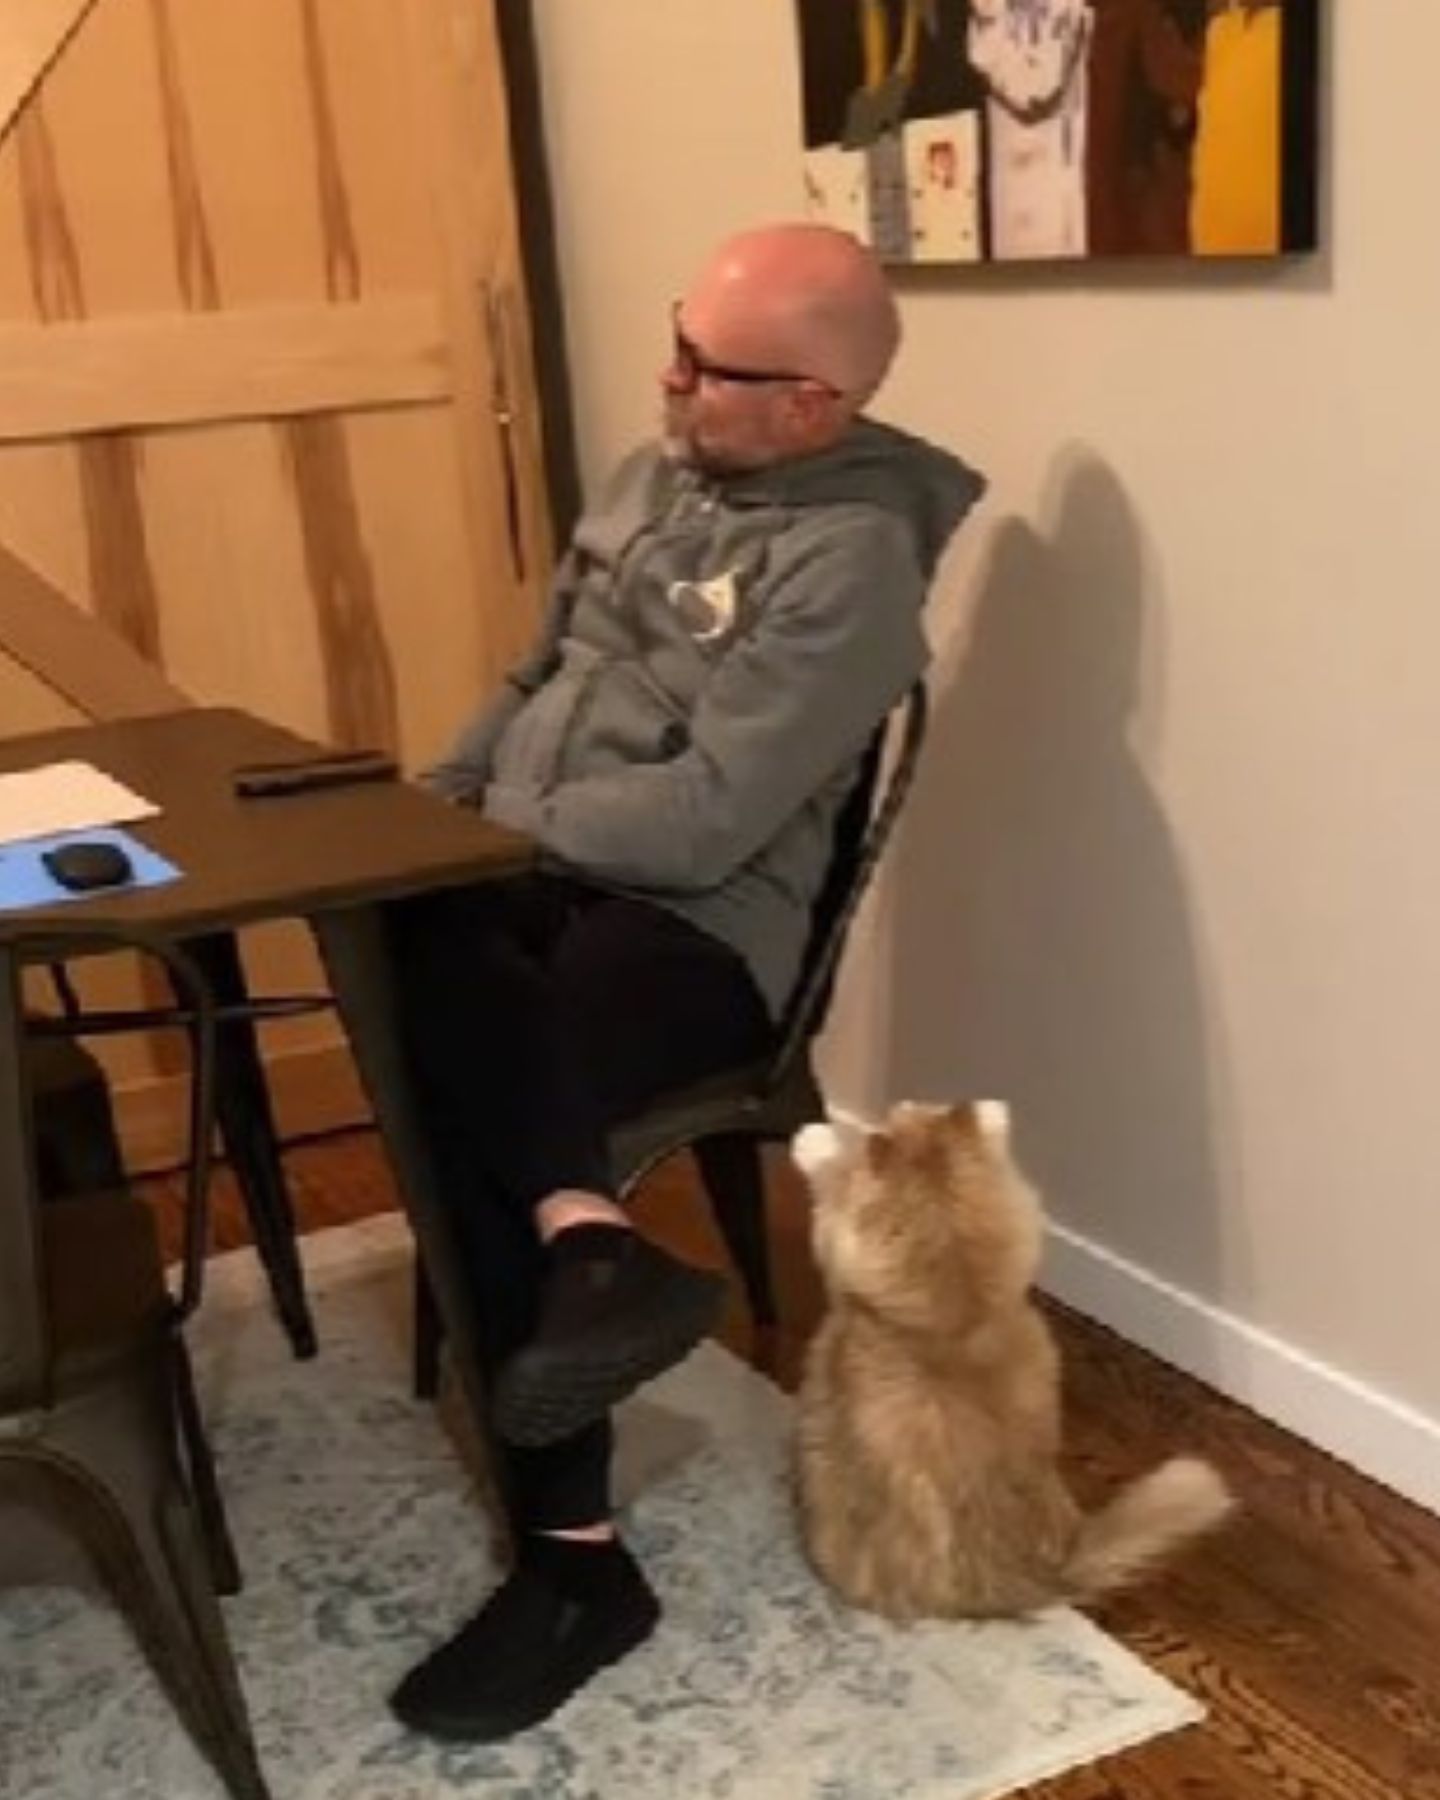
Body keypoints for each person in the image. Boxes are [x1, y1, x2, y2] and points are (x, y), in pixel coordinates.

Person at [385, 221, 985, 1742]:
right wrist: (427, 811)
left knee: (478, 1080)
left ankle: (577, 1569)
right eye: (679, 340)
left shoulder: (851, 566)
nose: (669, 382)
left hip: (699, 939)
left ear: (814, 408)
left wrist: (483, 830)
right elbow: (535, 674)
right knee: (404, 947)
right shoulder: (654, 478)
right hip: (533, 875)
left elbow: (714, 818)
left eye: (710, 372)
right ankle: (592, 1242)